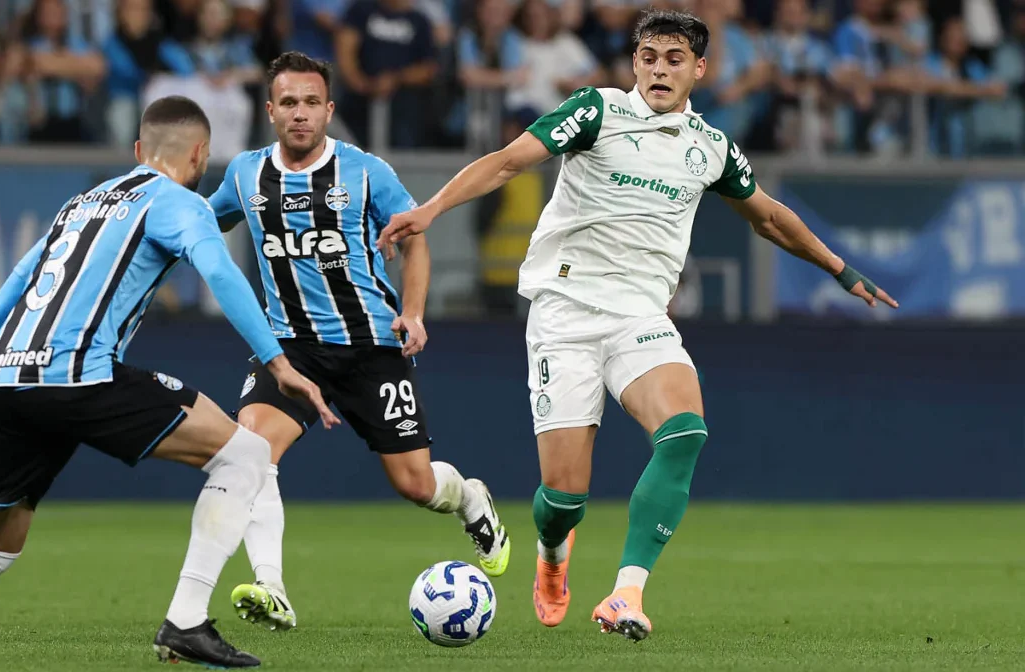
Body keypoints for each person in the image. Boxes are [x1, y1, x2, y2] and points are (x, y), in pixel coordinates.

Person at [377, 8, 898, 641]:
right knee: (563, 499)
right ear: (634, 63)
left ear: (698, 70)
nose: (658, 69)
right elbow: (511, 160)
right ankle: (552, 554)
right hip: (564, 311)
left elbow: (767, 216)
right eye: (648, 57)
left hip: (640, 317)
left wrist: (840, 269)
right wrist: (432, 208)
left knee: (685, 431)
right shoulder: (596, 111)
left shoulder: (711, 148)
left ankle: (626, 593)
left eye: (673, 59)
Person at [0, 96, 339, 670]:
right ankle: (185, 621)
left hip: (4, 379)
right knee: (247, 454)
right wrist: (277, 362)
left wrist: (25, 371)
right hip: (78, 375)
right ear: (201, 156)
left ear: (138, 151)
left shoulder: (79, 206)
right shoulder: (179, 202)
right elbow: (219, 273)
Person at [206, 51, 511, 632]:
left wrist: (414, 312)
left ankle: (471, 498)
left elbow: (415, 238)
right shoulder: (245, 175)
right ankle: (271, 587)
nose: (300, 114)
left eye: (312, 103)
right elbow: (203, 222)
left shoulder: (367, 172)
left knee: (416, 484)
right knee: (248, 454)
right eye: (289, 103)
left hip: (372, 347)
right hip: (289, 349)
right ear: (270, 110)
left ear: (330, 109)